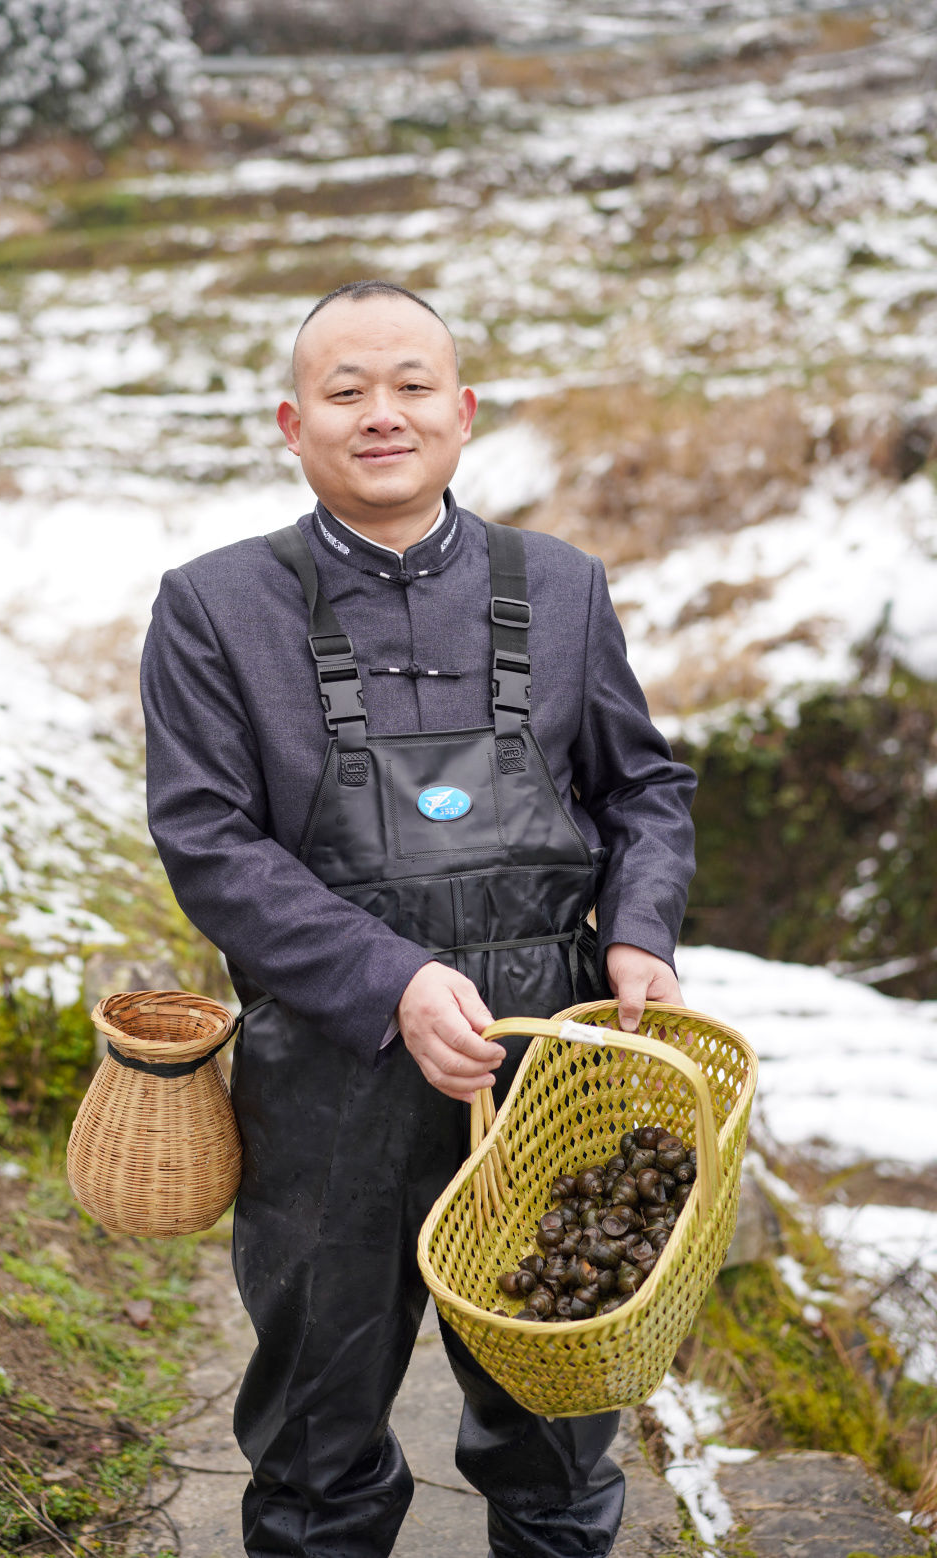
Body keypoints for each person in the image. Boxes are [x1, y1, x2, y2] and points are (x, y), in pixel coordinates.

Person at [140, 279, 696, 1558]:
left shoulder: (559, 586)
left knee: (556, 1439)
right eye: (345, 392)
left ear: (463, 411)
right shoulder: (214, 606)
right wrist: (390, 979)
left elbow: (643, 788)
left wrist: (642, 930)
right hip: (331, 1075)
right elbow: (209, 840)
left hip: (552, 1063)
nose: (380, 414)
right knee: (316, 1442)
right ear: (293, 422)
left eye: (410, 386)